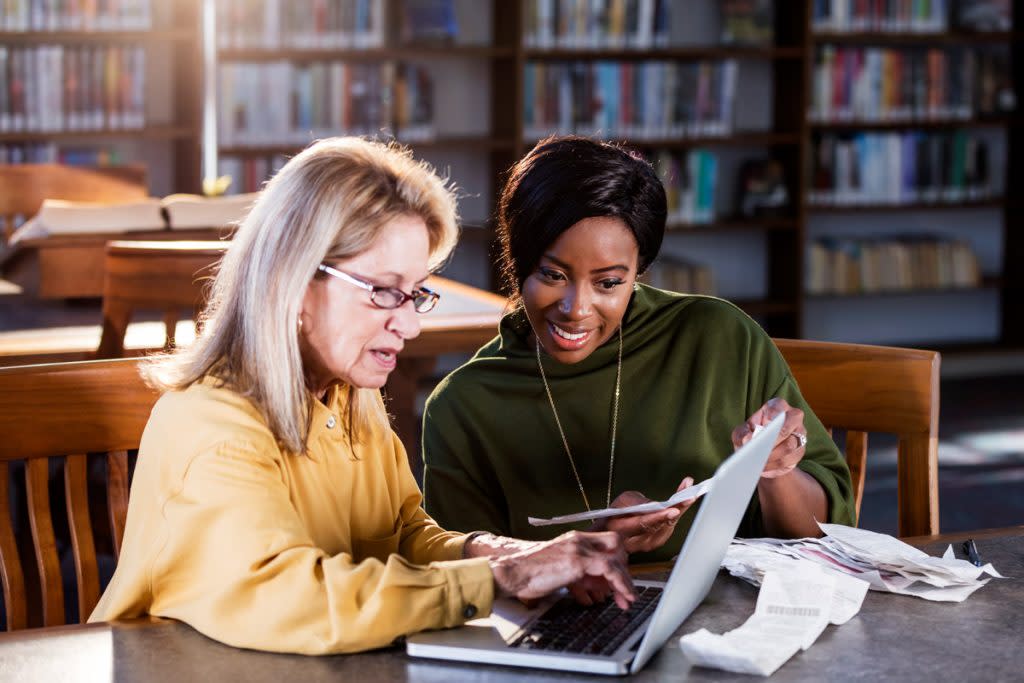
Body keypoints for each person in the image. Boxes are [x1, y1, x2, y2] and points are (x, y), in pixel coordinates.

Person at [89, 137, 636, 654]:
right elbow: (292, 600)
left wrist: (495, 552)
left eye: (415, 293)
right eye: (382, 292)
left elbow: (397, 535)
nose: (410, 325)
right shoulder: (214, 427)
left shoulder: (348, 394)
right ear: (295, 283)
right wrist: (499, 579)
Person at [422, 136, 856, 564]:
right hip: (564, 628)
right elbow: (467, 585)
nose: (577, 309)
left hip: (730, 623)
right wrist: (586, 551)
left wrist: (774, 471)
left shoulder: (720, 338)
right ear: (518, 263)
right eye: (553, 275)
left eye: (609, 283)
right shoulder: (464, 406)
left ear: (639, 272)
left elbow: (826, 536)